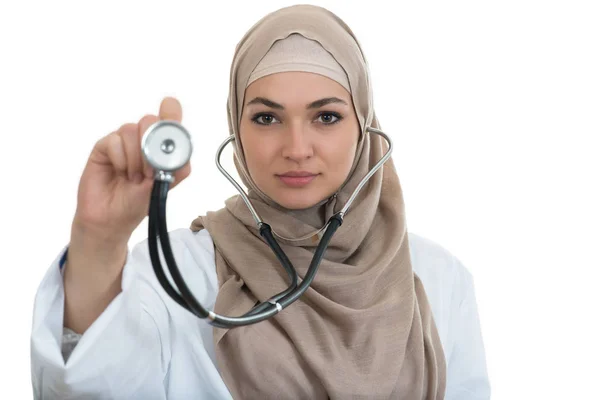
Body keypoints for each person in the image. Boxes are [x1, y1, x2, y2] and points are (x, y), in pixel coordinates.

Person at [30, 4, 490, 399]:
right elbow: (87, 389)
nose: (296, 147)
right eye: (267, 117)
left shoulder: (440, 279)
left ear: (365, 127)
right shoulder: (176, 275)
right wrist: (99, 238)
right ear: (236, 125)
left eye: (326, 116)